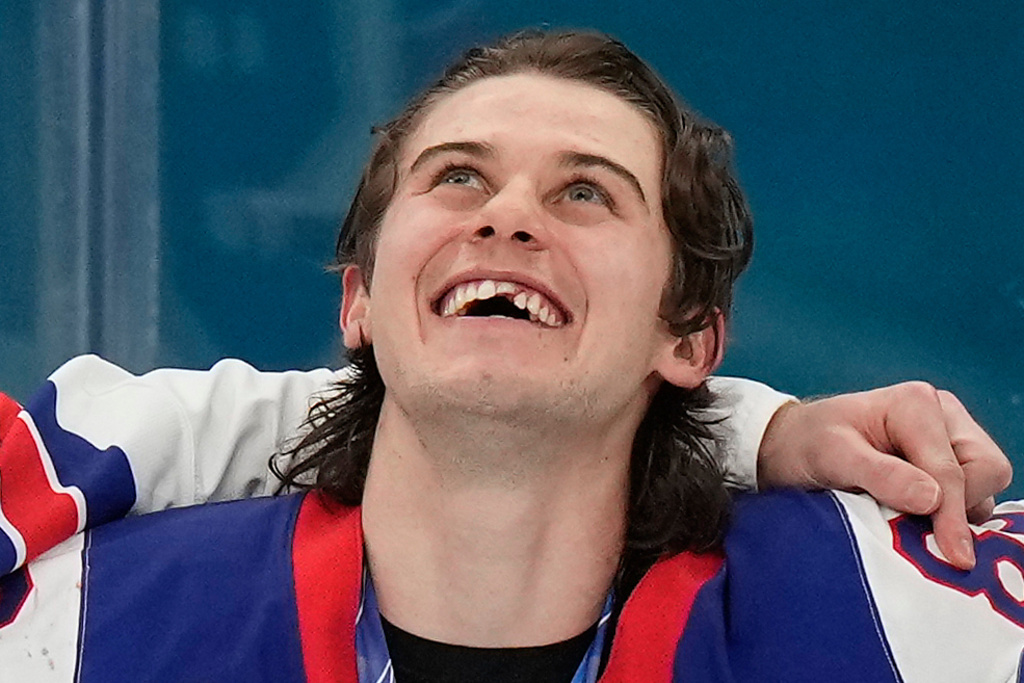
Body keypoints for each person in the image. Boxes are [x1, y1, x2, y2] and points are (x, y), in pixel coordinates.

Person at [0, 29, 1017, 682]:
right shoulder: (71, 622)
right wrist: (755, 426)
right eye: (455, 178)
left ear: (689, 335)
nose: (508, 216)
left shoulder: (911, 613)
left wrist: (757, 428)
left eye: (586, 192)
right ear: (358, 300)